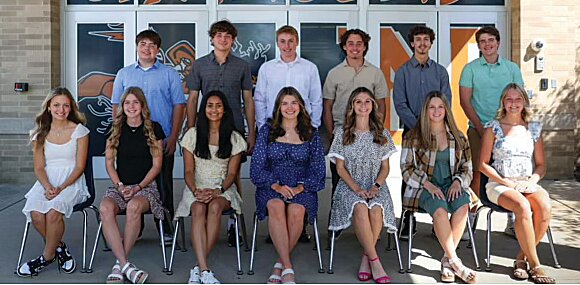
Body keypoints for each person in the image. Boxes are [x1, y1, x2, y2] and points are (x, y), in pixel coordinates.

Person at [112, 29, 186, 242]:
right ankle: (137, 225)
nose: (147, 48)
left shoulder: (169, 74)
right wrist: (117, 134)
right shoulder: (124, 74)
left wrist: (173, 136)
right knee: (134, 179)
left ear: (158, 50)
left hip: (160, 137)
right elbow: (116, 105)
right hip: (130, 138)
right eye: (143, 44)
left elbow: (179, 106)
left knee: (163, 183)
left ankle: (165, 226)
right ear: (137, 47)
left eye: (152, 45)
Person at [186, 20, 256, 245]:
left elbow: (248, 99)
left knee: (232, 173)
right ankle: (204, 203)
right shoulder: (199, 65)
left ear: (233, 40)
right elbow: (193, 98)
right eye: (219, 35)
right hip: (206, 128)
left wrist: (251, 131)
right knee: (204, 169)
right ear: (212, 39)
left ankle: (233, 221)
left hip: (233, 126)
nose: (223, 39)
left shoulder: (242, 66)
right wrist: (191, 129)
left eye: (227, 36)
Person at [479, 83, 555, 284]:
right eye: (509, 99)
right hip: (499, 184)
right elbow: (482, 165)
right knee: (522, 206)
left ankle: (521, 259)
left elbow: (541, 165)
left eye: (518, 99)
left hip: (526, 183)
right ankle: (536, 264)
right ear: (503, 102)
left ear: (524, 102)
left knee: (545, 207)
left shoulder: (533, 128)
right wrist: (506, 182)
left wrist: (533, 180)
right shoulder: (493, 127)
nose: (513, 103)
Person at [250, 87, 326, 284]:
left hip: (302, 187)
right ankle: (288, 267)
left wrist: (301, 187)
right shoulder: (267, 131)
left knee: (296, 211)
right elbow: (257, 167)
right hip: (271, 185)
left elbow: (318, 170)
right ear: (278, 107)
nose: (289, 107)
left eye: (293, 103)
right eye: (284, 103)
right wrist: (275, 186)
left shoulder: (311, 133)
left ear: (300, 106)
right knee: (275, 206)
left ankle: (279, 265)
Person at [254, 24, 322, 243]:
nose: (286, 46)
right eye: (282, 41)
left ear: (297, 42)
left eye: (290, 41)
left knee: (299, 171)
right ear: (277, 43)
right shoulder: (267, 68)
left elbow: (316, 99)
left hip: (301, 130)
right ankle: (279, 230)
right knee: (277, 177)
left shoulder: (309, 68)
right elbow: (260, 98)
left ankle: (295, 230)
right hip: (275, 129)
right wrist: (263, 126)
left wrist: (311, 128)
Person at [401, 91, 477, 283]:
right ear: (425, 111)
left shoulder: (458, 137)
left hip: (451, 184)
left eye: (440, 107)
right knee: (441, 211)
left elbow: (467, 166)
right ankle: (456, 262)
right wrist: (427, 184)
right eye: (431, 107)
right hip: (425, 187)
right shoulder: (413, 137)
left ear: (446, 110)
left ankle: (446, 260)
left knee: (463, 206)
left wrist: (458, 181)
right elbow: (406, 168)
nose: (436, 111)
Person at [175, 90, 247, 284]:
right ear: (203, 109)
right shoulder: (192, 135)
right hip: (196, 186)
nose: (214, 110)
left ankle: (198, 268)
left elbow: (232, 174)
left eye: (218, 106)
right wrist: (195, 190)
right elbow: (189, 171)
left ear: (224, 110)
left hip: (223, 187)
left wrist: (218, 190)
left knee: (214, 207)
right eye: (209, 105)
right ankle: (205, 269)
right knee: (198, 208)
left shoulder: (234, 138)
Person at [17, 87, 90, 277]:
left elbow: (80, 167)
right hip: (46, 181)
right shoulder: (39, 133)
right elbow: (39, 167)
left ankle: (45, 258)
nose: (61, 109)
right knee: (36, 214)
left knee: (53, 213)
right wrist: (48, 186)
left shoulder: (80, 131)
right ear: (49, 107)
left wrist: (61, 187)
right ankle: (60, 249)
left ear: (71, 108)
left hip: (71, 181)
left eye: (66, 105)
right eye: (56, 105)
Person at [323, 28, 388, 238]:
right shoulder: (334, 73)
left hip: (369, 132)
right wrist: (332, 132)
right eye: (350, 43)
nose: (355, 47)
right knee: (339, 179)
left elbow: (381, 103)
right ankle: (338, 224)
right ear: (344, 46)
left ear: (365, 46)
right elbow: (327, 105)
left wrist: (377, 130)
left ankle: (369, 219)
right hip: (344, 133)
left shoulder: (375, 73)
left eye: (359, 43)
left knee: (370, 176)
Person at [328, 87, 397, 284]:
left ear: (373, 106)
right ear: (352, 106)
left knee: (375, 210)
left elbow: (385, 167)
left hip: (375, 184)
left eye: (367, 101)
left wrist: (376, 186)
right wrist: (357, 188)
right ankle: (375, 261)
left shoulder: (381, 133)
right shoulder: (342, 133)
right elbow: (340, 169)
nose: (363, 105)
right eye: (358, 101)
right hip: (349, 185)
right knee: (359, 207)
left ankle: (366, 258)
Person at [459, 26, 523, 237]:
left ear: (498, 42)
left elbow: (519, 98)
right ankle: (472, 216)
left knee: (510, 170)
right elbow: (464, 101)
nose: (487, 45)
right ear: (478, 46)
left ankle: (512, 218)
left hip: (507, 129)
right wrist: (480, 127)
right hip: (479, 128)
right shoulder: (471, 69)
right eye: (482, 42)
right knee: (478, 171)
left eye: (490, 41)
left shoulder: (512, 68)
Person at [99, 87, 165, 284]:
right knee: (105, 208)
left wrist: (137, 188)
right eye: (127, 102)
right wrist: (120, 186)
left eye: (136, 102)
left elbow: (157, 165)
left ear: (142, 105)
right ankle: (125, 265)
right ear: (122, 106)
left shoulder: (154, 128)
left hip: (146, 187)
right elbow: (109, 163)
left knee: (134, 206)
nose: (131, 106)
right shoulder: (115, 128)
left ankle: (119, 266)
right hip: (121, 186)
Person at [393, 25, 452, 239]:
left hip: (438, 130)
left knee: (438, 171)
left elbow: (447, 101)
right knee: (410, 174)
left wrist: (434, 125)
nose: (422, 43)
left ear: (431, 43)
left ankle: (441, 219)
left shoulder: (440, 72)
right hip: (413, 131)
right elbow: (400, 104)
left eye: (426, 40)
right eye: (418, 39)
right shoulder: (403, 72)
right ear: (412, 43)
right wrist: (419, 128)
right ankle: (408, 218)